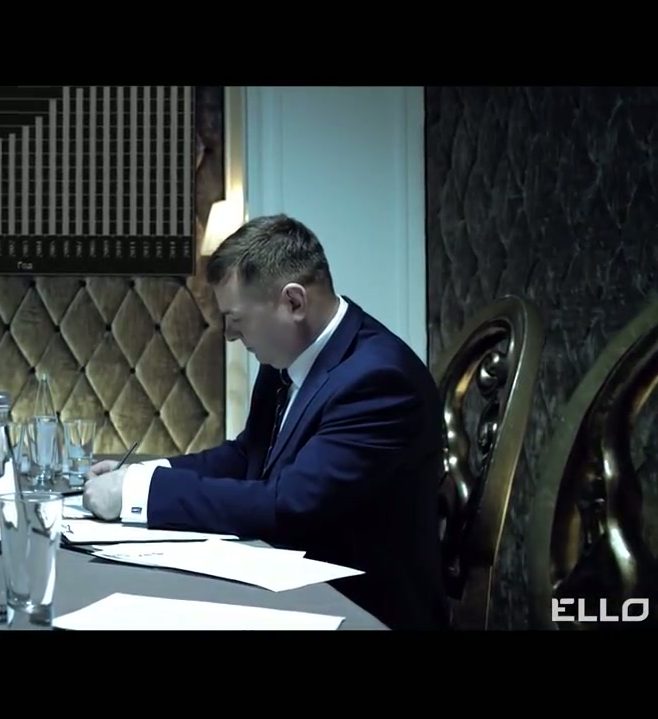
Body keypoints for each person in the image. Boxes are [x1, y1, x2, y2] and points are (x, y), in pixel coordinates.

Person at [81, 214, 448, 631]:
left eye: (236, 319)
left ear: (294, 303)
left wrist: (137, 494)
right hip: (287, 586)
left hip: (362, 611)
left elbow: (288, 504)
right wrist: (144, 474)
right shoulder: (286, 359)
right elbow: (247, 455)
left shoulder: (380, 380)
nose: (228, 334)